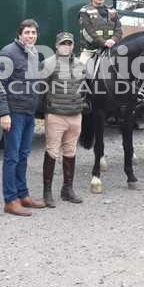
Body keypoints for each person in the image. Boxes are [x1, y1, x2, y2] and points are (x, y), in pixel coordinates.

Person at [0, 19, 47, 216]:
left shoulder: (34, 54)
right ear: (19, 34)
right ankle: (10, 200)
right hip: (14, 113)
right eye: (27, 32)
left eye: (33, 33)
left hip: (29, 112)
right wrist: (4, 113)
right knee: (12, 157)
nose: (31, 36)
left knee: (23, 155)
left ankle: (23, 195)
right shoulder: (8, 53)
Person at [41, 32, 85, 207]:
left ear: (73, 46)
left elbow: (84, 88)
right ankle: (47, 191)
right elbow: (40, 89)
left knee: (70, 152)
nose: (66, 46)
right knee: (52, 152)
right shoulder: (49, 64)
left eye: (69, 43)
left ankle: (67, 189)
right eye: (63, 43)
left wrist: (83, 103)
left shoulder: (80, 65)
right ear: (56, 45)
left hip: (75, 115)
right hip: (56, 115)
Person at [78, 0, 122, 68]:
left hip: (112, 48)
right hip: (91, 51)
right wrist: (104, 42)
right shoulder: (84, 11)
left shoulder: (112, 11)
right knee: (80, 72)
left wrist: (113, 40)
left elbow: (119, 30)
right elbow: (89, 31)